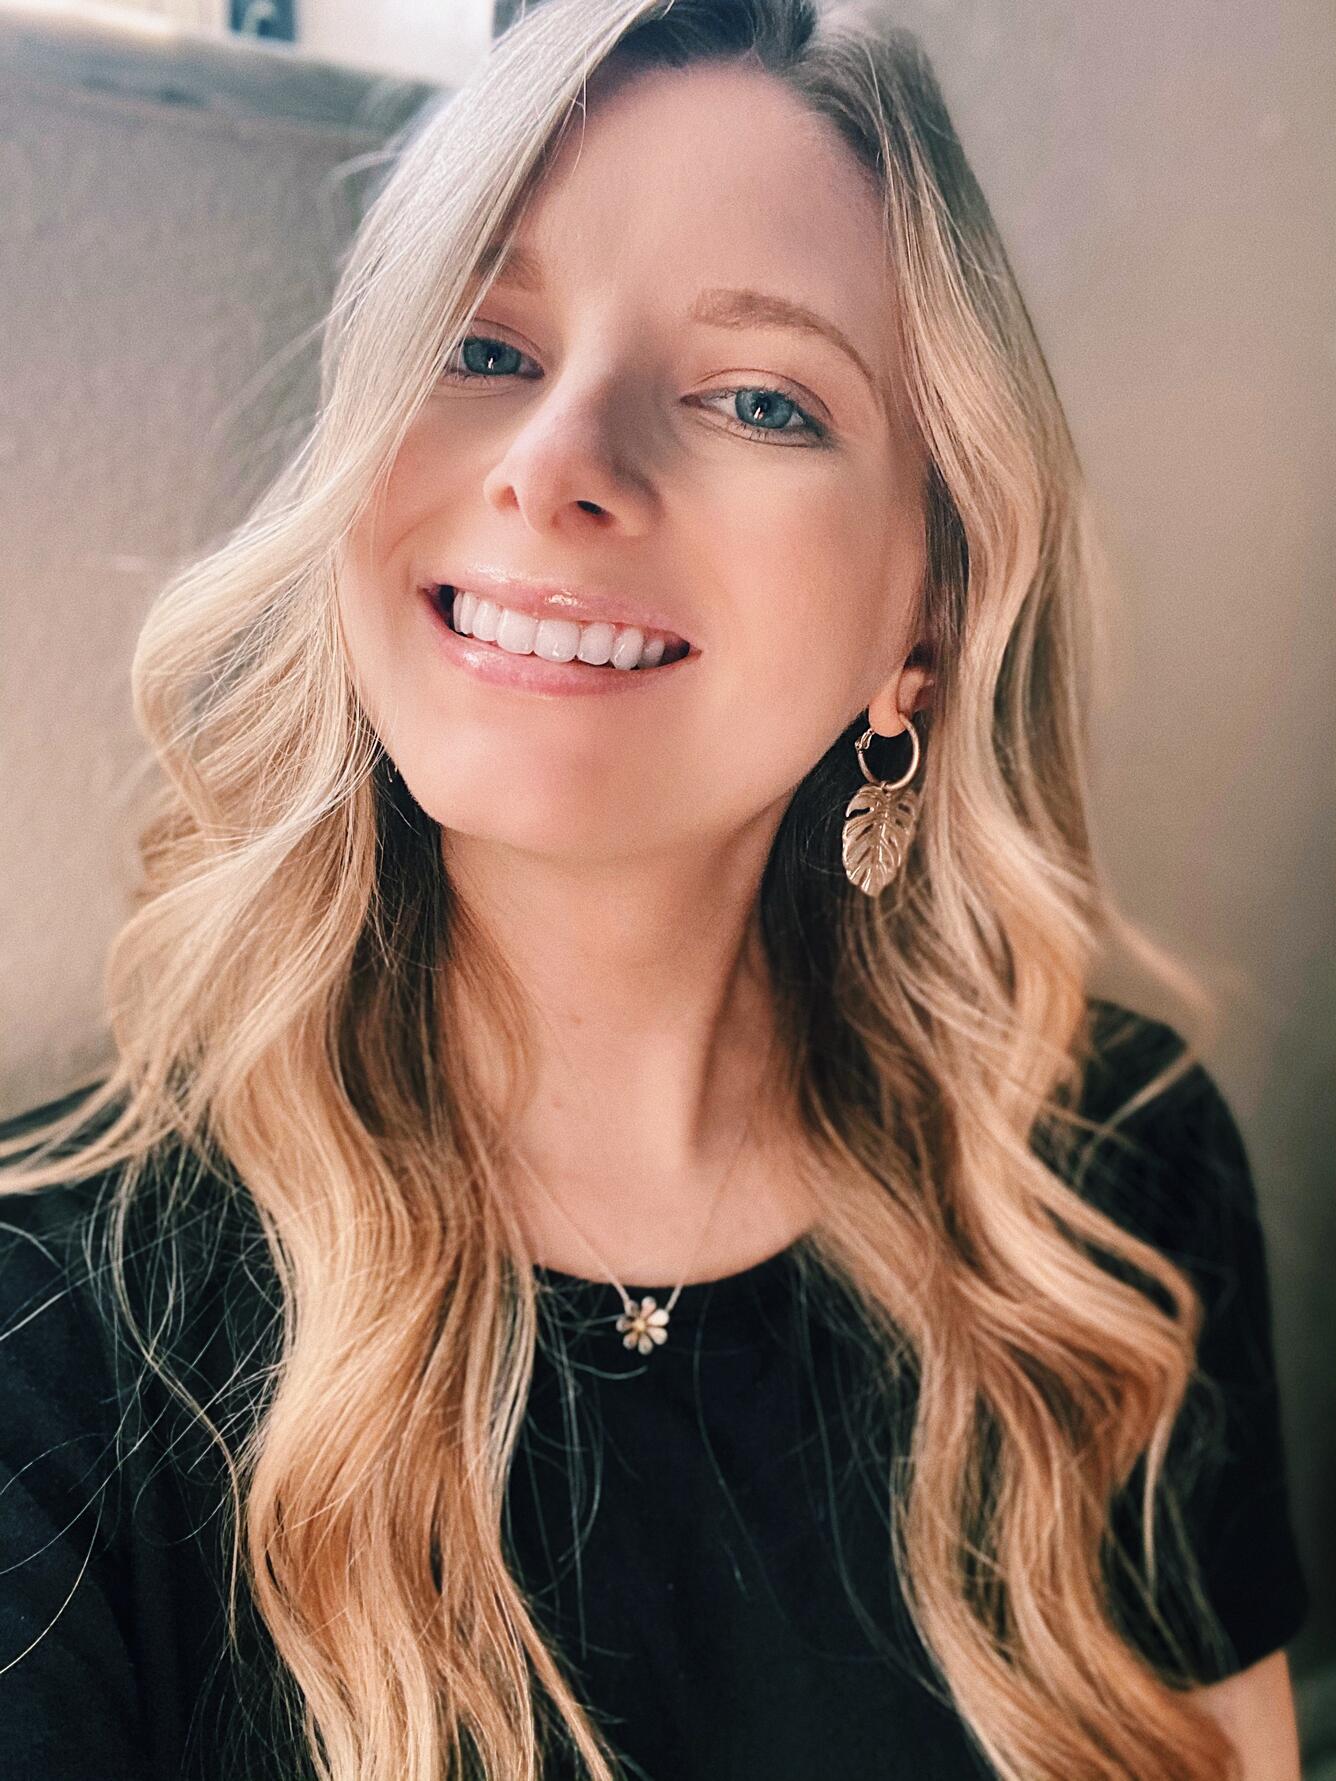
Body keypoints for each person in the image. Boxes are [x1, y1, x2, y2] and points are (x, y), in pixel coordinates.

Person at [0, 1, 1310, 1778]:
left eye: (760, 396)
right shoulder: (53, 1338)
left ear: (925, 611)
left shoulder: (1100, 1195)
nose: (556, 461)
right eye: (480, 346)